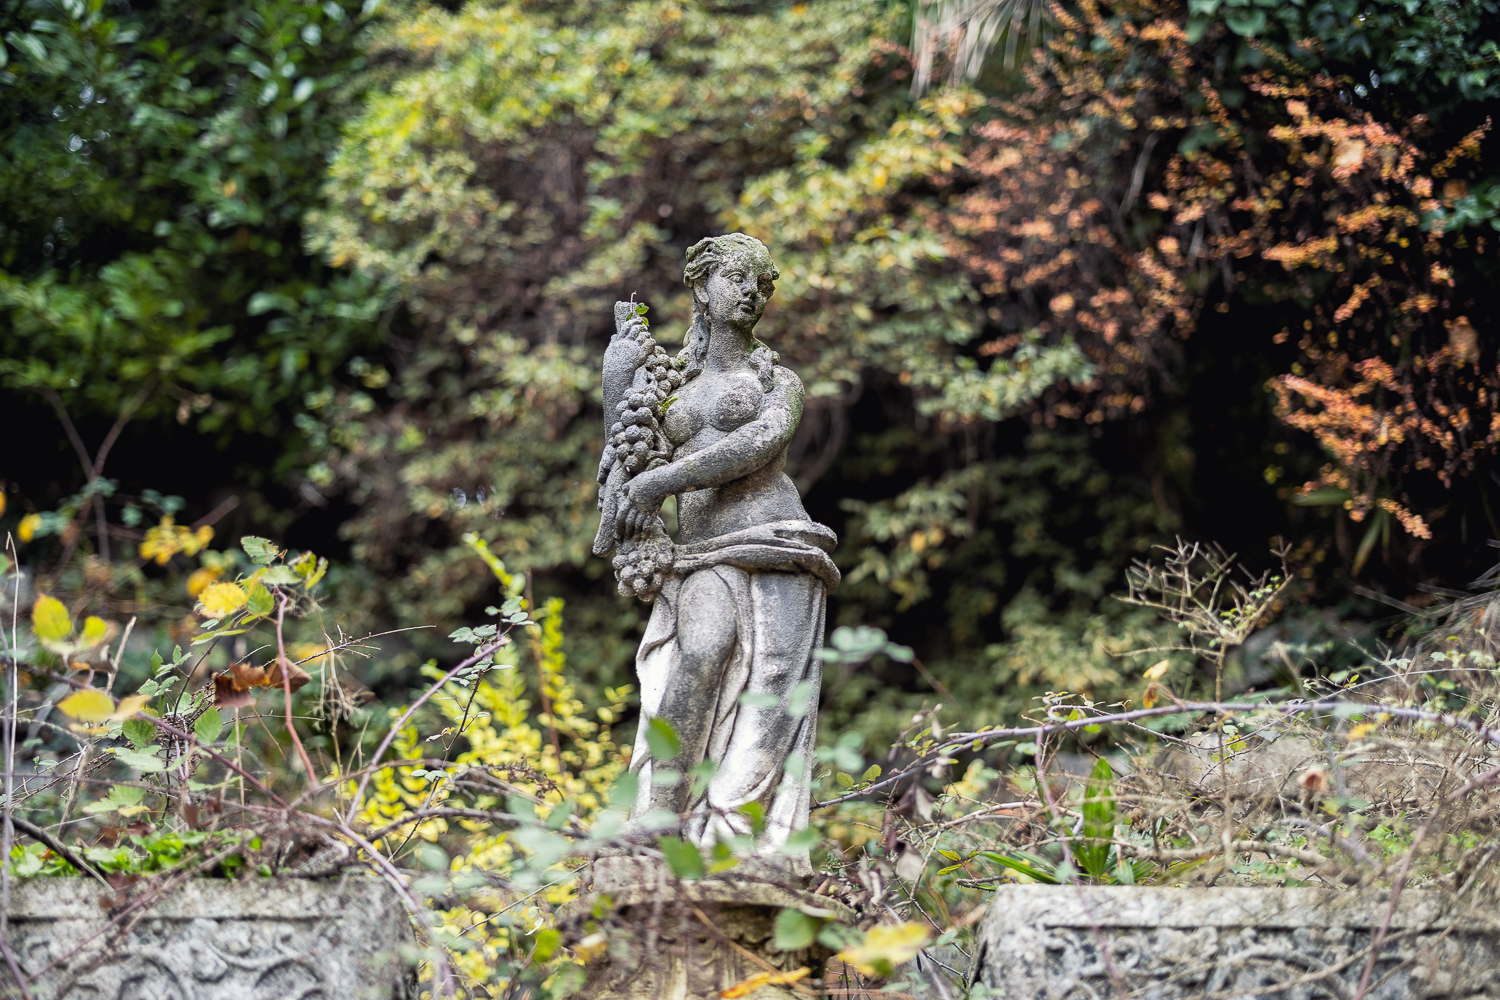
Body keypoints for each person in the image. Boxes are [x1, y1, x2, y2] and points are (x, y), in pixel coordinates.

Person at [595, 233, 838, 873]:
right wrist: (616, 384)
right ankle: (661, 825)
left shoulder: (777, 379)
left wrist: (664, 481)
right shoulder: (667, 384)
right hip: (700, 551)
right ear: (702, 285)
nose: (752, 292)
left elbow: (760, 442)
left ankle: (739, 837)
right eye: (738, 277)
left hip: (774, 541)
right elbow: (623, 479)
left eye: (763, 283)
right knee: (698, 656)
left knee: (771, 691)